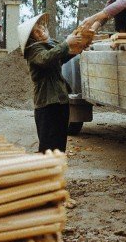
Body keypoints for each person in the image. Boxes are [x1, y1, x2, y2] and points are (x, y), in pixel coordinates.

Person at [18, 13, 83, 153]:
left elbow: (60, 57)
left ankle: (57, 172)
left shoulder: (49, 45)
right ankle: (46, 173)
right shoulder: (33, 50)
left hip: (61, 102)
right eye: (36, 31)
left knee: (59, 146)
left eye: (42, 27)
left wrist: (78, 48)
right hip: (46, 105)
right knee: (47, 147)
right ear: (31, 37)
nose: (41, 32)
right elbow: (46, 58)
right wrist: (67, 43)